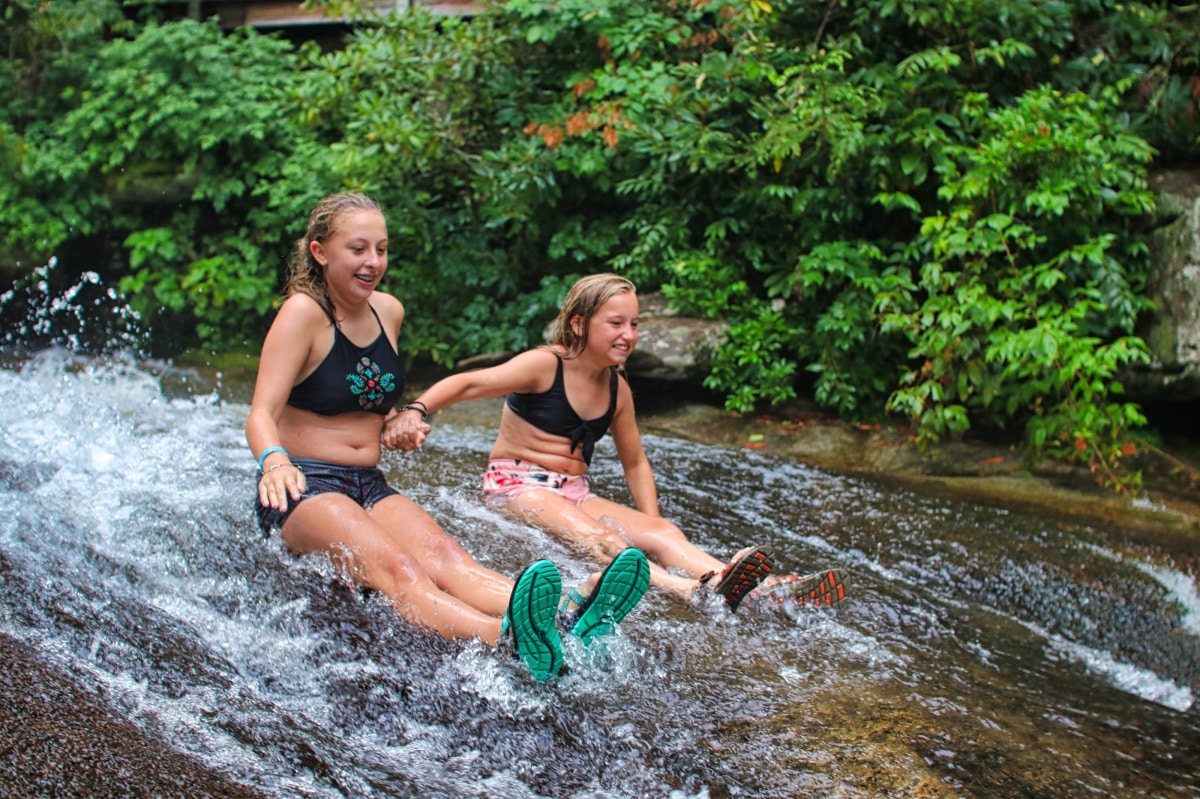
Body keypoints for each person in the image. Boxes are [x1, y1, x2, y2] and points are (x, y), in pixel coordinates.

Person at [245, 195, 650, 682]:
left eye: (382, 248)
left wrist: (397, 422)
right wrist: (274, 462)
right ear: (320, 251)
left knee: (448, 558)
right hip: (303, 484)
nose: (374, 262)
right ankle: (506, 641)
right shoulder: (301, 314)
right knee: (401, 569)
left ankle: (569, 612)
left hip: (366, 480)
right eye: (358, 249)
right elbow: (260, 413)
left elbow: (364, 397)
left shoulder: (387, 312)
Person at [382, 273, 848, 612]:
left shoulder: (617, 389)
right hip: (517, 486)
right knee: (601, 539)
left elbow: (636, 463)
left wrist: (651, 522)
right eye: (616, 324)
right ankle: (693, 591)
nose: (629, 335)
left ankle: (741, 584)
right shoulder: (545, 365)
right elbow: (468, 384)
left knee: (664, 534)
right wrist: (417, 410)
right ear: (581, 323)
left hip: (574, 492)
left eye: (634, 325)